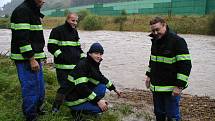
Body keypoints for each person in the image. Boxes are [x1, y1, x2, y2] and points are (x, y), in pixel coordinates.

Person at [145, 17, 192, 121]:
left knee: (172, 116)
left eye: (158, 29)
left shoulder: (178, 41)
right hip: (156, 87)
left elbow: (186, 65)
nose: (155, 32)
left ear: (164, 25)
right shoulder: (155, 40)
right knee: (159, 114)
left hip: (171, 89)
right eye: (153, 30)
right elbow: (153, 60)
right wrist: (148, 76)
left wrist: (179, 86)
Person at [10, 0, 46, 120]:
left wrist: (40, 57)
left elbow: (35, 38)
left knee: (40, 88)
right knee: (31, 88)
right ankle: (30, 116)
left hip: (34, 57)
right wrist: (31, 58)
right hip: (26, 58)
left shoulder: (32, 11)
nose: (44, 1)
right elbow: (22, 38)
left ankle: (36, 109)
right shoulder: (22, 11)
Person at [64, 42, 121, 116]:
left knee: (102, 86)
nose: (99, 56)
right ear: (90, 53)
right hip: (72, 99)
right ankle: (76, 112)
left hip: (78, 93)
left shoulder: (92, 63)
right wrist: (98, 100)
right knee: (101, 108)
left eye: (100, 54)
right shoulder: (83, 65)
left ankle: (87, 106)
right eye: (96, 53)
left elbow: (100, 77)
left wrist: (114, 88)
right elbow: (81, 87)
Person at [47, 12, 85, 113]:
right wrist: (62, 57)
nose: (75, 23)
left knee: (75, 87)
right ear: (67, 19)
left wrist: (83, 58)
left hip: (75, 66)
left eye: (76, 21)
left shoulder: (75, 32)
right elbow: (51, 47)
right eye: (73, 20)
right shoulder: (57, 30)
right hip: (62, 66)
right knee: (64, 87)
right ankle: (55, 107)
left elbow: (78, 48)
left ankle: (75, 109)